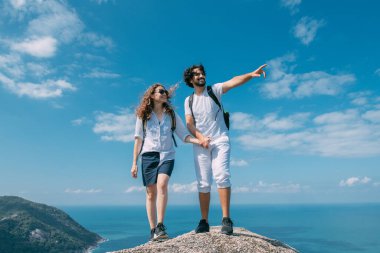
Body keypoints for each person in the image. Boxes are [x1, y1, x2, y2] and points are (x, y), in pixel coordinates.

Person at [183, 64, 267, 235]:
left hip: (220, 139)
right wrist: (201, 138)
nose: (201, 76)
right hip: (201, 144)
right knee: (203, 182)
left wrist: (251, 74)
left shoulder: (214, 90)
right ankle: (204, 221)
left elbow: (234, 81)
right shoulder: (189, 100)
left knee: (222, 175)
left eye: (202, 73)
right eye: (197, 74)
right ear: (190, 79)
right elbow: (190, 124)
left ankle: (226, 219)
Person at [131, 83, 199, 241]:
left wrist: (199, 141)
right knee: (150, 193)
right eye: (160, 91)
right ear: (152, 95)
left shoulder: (172, 114)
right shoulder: (143, 116)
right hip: (148, 155)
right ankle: (153, 229)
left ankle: (161, 226)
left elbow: (183, 135)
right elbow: (138, 140)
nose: (164, 94)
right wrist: (134, 163)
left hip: (167, 154)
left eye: (165, 92)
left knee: (162, 185)